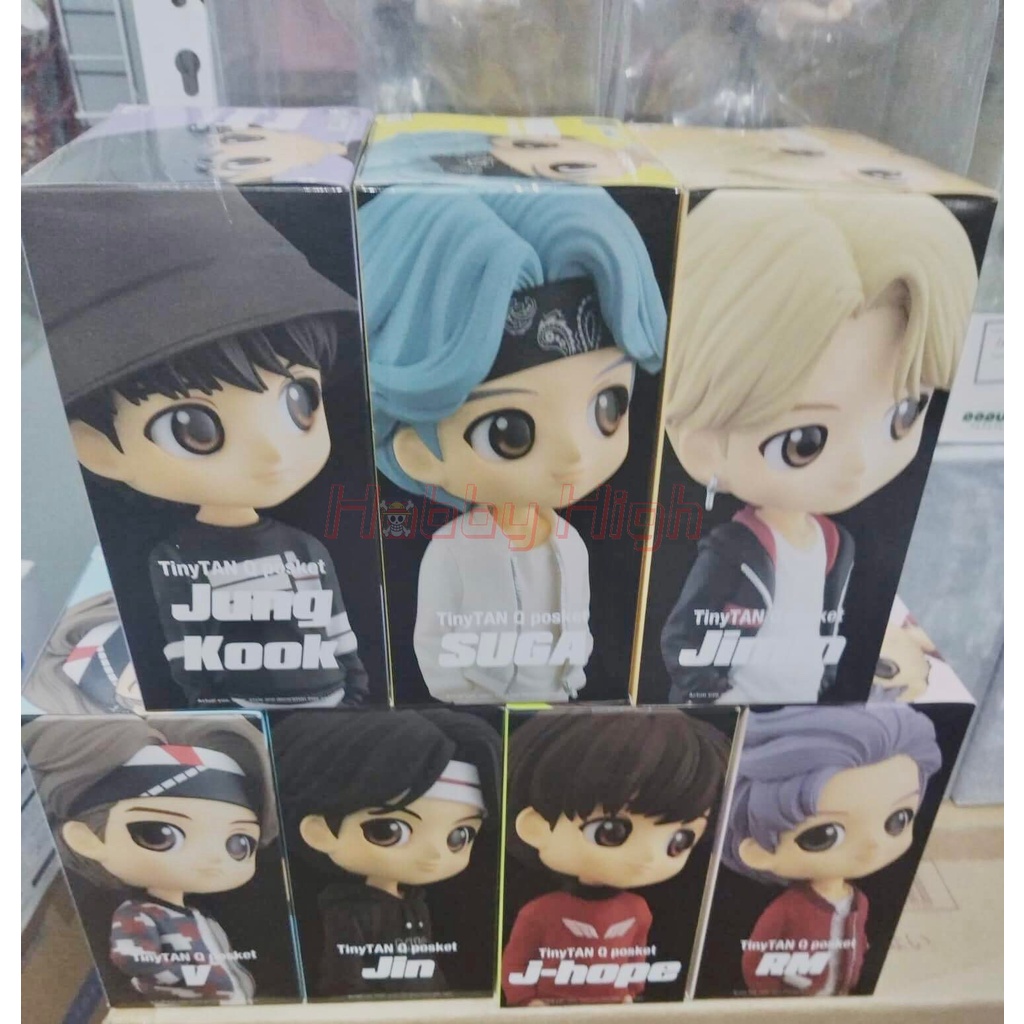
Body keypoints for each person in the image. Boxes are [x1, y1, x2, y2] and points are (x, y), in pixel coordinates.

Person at [23, 183, 369, 708]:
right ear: (98, 448)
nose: (274, 454)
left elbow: (337, 624)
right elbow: (186, 645)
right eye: (195, 430)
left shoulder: (306, 548)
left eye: (300, 400)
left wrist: (356, 691)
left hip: (331, 700)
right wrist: (210, 703)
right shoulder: (172, 559)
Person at [659, 189, 977, 703]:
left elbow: (826, 629)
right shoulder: (732, 551)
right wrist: (714, 700)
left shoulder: (836, 545)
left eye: (905, 413)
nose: (860, 464)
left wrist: (820, 683)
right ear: (700, 443)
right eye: (803, 442)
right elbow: (681, 640)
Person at [361, 186, 666, 702]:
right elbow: (434, 637)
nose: (574, 454)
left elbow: (576, 622)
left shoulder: (569, 543)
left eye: (607, 407)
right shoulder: (452, 550)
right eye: (509, 434)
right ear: (418, 451)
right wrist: (463, 697)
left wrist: (569, 682)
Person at [22, 714, 279, 1005]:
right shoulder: (138, 916)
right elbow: (132, 957)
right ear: (86, 838)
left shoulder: (200, 918)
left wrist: (237, 984)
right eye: (160, 835)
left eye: (239, 844)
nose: (213, 858)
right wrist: (191, 978)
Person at [502, 709, 728, 1005]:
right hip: (553, 1005)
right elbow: (516, 961)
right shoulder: (539, 912)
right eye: (610, 832)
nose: (649, 857)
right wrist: (524, 999)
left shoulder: (638, 910)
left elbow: (636, 954)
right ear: (535, 827)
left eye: (679, 841)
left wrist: (631, 991)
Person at [272, 708, 501, 997]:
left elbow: (426, 960)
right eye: (388, 831)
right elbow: (342, 971)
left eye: (459, 836)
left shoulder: (415, 902)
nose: (434, 854)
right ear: (320, 831)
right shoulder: (348, 911)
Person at [721, 704, 941, 996]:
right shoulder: (787, 909)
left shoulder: (859, 901)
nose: (873, 845)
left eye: (898, 819)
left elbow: (857, 940)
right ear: (756, 850)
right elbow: (754, 960)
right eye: (823, 835)